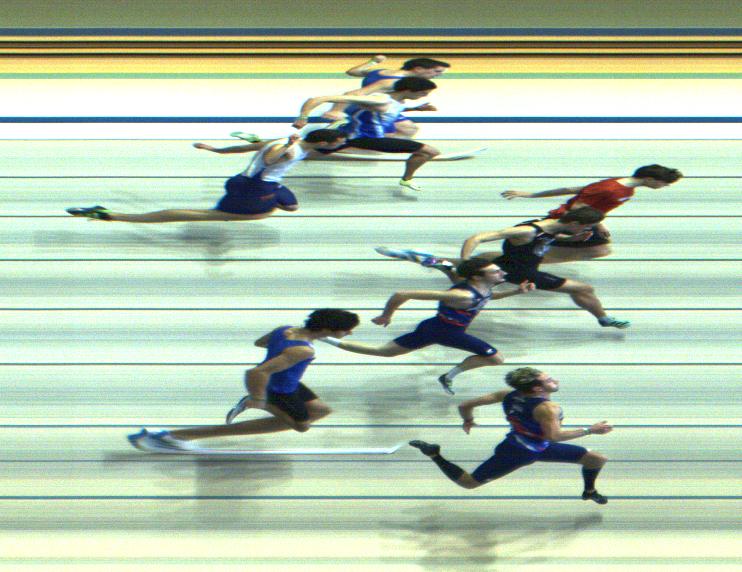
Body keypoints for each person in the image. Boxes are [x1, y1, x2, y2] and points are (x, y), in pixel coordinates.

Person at [128, 309, 360, 452]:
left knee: (321, 410)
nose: (349, 333)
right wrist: (259, 400)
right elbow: (256, 373)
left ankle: (178, 436)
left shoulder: (285, 330)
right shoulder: (303, 351)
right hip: (278, 390)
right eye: (347, 330)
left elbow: (261, 343)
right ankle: (176, 436)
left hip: (288, 382)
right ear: (328, 329)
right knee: (302, 426)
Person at [375, 207, 631, 329]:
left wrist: (574, 239)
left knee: (461, 276)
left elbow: (550, 239)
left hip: (510, 264)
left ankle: (427, 259)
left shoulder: (555, 226)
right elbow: (477, 237)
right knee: (583, 288)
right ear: (574, 223)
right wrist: (468, 260)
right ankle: (604, 319)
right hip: (520, 272)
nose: (588, 232)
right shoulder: (527, 231)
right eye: (585, 228)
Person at [320, 258, 535, 395]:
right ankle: (448, 377)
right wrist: (387, 315)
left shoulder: (483, 287)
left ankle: (324, 337)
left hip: (433, 327)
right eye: (496, 272)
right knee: (496, 358)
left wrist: (516, 291)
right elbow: (402, 294)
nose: (502, 273)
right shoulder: (461, 295)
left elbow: (488, 297)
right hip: (447, 332)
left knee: (384, 351)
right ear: (478, 276)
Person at [409, 367, 612, 504]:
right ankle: (434, 454)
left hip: (531, 444)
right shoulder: (547, 409)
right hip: (520, 452)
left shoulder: (507, 394)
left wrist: (468, 420)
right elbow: (554, 436)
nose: (555, 380)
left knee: (597, 459)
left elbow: (465, 405)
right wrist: (590, 430)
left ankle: (589, 492)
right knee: (469, 483)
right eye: (549, 380)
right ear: (537, 388)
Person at [66, 129, 347, 223]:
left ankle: (269, 199)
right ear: (323, 143)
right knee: (221, 216)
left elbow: (249, 147)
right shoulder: (289, 148)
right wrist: (286, 149)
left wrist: (216, 150)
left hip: (255, 183)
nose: (339, 146)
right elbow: (270, 159)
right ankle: (112, 215)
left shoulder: (292, 143)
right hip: (253, 188)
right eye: (337, 143)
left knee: (291, 206)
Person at [501, 164, 683, 263]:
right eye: (664, 183)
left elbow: (575, 189)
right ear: (650, 179)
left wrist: (532, 194)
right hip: (568, 221)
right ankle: (524, 261)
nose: (665, 186)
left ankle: (528, 259)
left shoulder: (626, 188)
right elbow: (577, 206)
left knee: (600, 250)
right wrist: (597, 223)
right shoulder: (611, 187)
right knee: (600, 250)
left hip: (584, 221)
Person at [292, 77, 441, 191]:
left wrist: (416, 109)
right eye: (423, 93)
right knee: (429, 151)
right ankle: (406, 180)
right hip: (366, 139)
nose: (424, 96)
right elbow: (318, 99)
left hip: (351, 137)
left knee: (305, 153)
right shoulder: (379, 99)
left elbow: (389, 110)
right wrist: (303, 117)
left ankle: (285, 155)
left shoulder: (397, 101)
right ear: (408, 90)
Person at [324, 56, 450, 138]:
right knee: (400, 131)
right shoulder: (393, 81)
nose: (438, 75)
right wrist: (336, 110)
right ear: (418, 69)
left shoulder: (381, 72)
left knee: (409, 129)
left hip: (372, 108)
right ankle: (347, 137)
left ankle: (356, 139)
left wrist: (374, 62)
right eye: (437, 71)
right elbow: (352, 94)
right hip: (366, 110)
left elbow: (353, 72)